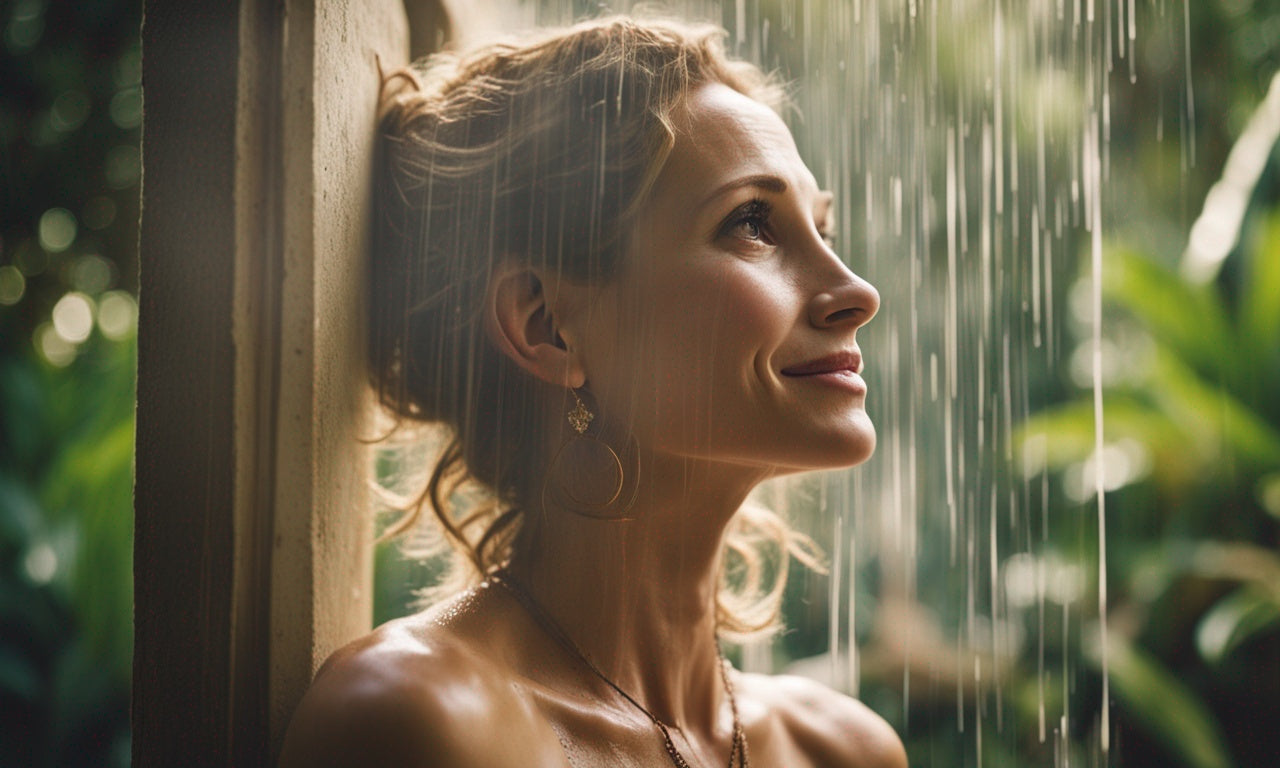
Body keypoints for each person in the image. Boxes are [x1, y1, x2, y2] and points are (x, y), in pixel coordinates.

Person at [279, 15, 905, 768]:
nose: (856, 291)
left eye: (823, 227)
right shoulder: (418, 723)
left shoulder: (846, 751)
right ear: (546, 327)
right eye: (752, 223)